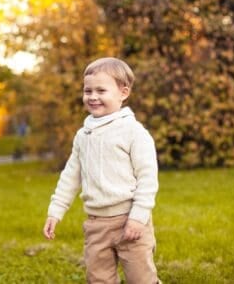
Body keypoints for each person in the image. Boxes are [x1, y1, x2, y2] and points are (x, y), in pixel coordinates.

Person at [43, 57, 160, 283]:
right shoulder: (83, 135)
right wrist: (55, 211)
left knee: (141, 278)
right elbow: (70, 176)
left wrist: (138, 217)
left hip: (130, 220)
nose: (93, 96)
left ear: (123, 93)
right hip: (96, 223)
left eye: (101, 90)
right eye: (88, 90)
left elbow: (147, 178)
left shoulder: (133, 132)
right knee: (98, 278)